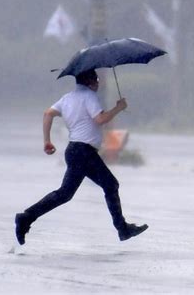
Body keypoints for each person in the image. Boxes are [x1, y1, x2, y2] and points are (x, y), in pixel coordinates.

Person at [15, 69, 148, 245]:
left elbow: (48, 114)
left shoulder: (67, 98)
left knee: (65, 194)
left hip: (73, 151)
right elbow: (100, 119)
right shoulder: (89, 97)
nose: (98, 82)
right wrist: (118, 108)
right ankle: (122, 229)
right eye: (96, 78)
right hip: (84, 151)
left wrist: (47, 141)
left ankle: (26, 217)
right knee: (110, 184)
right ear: (89, 80)